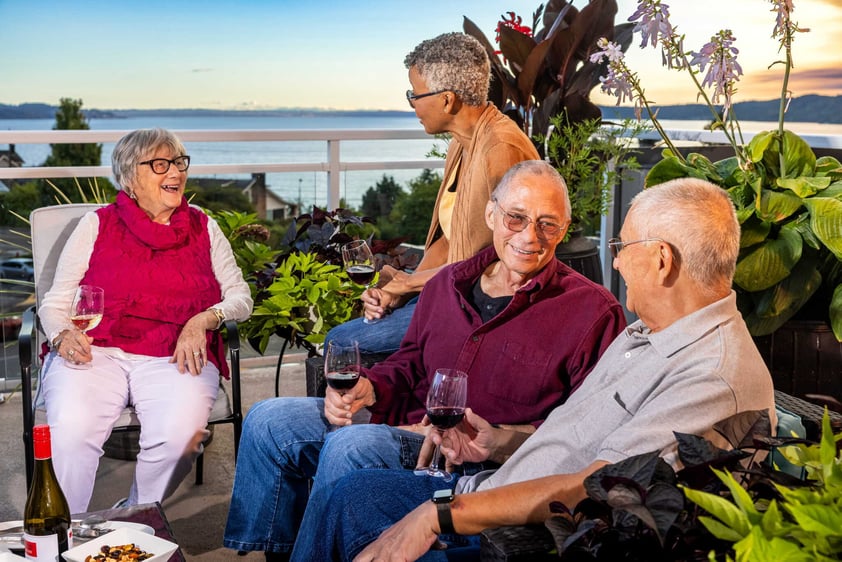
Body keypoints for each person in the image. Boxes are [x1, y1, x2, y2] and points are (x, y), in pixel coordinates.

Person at [291, 177, 778, 562]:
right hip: (488, 486)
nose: (619, 263)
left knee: (351, 499)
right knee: (347, 492)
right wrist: (497, 441)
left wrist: (440, 515)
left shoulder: (710, 377)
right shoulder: (649, 332)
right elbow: (576, 434)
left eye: (622, 248)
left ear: (661, 260)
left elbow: (595, 487)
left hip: (513, 533)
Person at [223, 161, 626, 560]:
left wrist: (496, 436)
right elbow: (413, 360)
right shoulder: (448, 283)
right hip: (404, 419)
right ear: (491, 213)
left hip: (467, 455)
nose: (529, 236)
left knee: (350, 444)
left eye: (547, 224)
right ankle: (286, 552)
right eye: (516, 218)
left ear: (565, 230)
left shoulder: (592, 312)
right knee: (268, 421)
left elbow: (582, 431)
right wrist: (371, 386)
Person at [38, 128, 253, 514]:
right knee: (72, 430)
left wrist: (204, 319)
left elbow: (240, 297)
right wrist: (61, 335)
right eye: (159, 164)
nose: (175, 172)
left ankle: (136, 516)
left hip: (175, 352)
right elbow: (54, 303)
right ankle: (63, 532)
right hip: (97, 349)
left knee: (180, 436)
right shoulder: (96, 224)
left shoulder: (205, 227)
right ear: (129, 177)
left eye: (178, 162)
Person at [325, 32, 540, 355]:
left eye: (415, 93)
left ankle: (382, 402)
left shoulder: (501, 150)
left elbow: (501, 256)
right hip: (452, 290)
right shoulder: (461, 144)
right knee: (347, 334)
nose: (412, 103)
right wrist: (405, 289)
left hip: (484, 307)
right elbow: (451, 238)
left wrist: (411, 283)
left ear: (447, 100)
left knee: (342, 344)